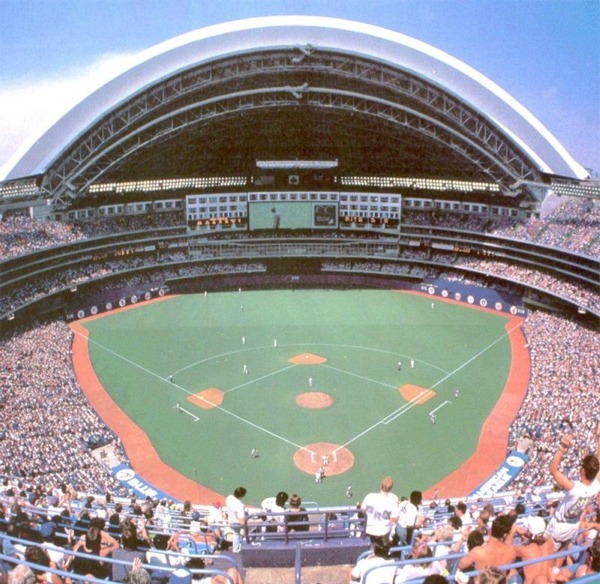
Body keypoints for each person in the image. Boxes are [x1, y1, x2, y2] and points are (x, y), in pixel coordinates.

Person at [545, 432, 600, 551]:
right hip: (573, 526)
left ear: (584, 471)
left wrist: (563, 447)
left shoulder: (574, 488)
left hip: (558, 526)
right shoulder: (596, 486)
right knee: (562, 551)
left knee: (546, 553)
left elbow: (553, 470)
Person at [512, 515, 554, 584]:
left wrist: (514, 530)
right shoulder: (550, 542)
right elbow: (539, 541)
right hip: (548, 580)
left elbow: (507, 548)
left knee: (512, 570)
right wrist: (529, 539)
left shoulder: (525, 550)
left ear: (530, 532)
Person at [360, 476, 399, 547]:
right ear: (391, 488)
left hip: (368, 531)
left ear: (380, 485)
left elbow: (362, 511)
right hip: (383, 534)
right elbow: (395, 519)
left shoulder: (370, 496)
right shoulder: (392, 502)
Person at [225, 487, 247, 553]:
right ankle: (238, 548)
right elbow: (241, 521)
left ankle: (237, 547)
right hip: (236, 523)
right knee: (251, 527)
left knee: (236, 534)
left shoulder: (229, 498)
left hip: (231, 522)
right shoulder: (240, 505)